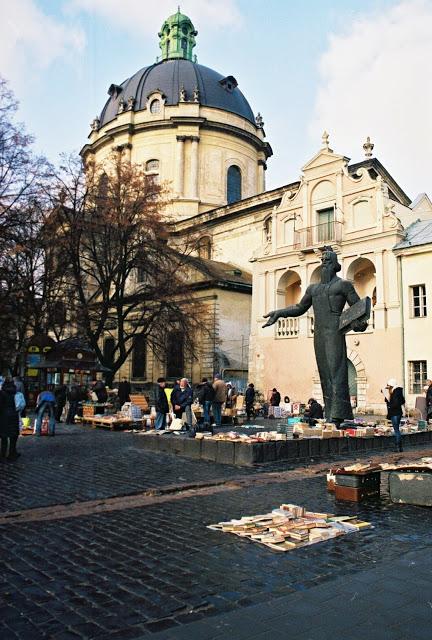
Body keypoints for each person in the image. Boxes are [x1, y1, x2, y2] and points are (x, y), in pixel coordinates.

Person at [263, 246, 369, 424]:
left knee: (337, 371)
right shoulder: (313, 289)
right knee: (324, 372)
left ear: (336, 265)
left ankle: (339, 413)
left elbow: (358, 308)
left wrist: (360, 324)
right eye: (323, 261)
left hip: (335, 330)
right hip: (319, 332)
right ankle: (329, 413)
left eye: (328, 261)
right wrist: (280, 312)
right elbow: (299, 308)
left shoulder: (343, 285)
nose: (325, 263)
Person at [0, 379, 20, 461]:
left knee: (4, 436)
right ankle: (12, 454)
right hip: (14, 415)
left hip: (3, 416)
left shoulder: (1, 393)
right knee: (13, 436)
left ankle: (3, 454)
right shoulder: (16, 393)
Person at [383, 378, 405, 452]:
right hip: (397, 413)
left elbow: (395, 403)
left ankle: (398, 447)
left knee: (396, 430)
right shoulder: (398, 392)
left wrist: (390, 405)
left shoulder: (395, 393)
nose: (388, 388)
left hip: (395, 413)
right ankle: (399, 447)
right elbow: (402, 401)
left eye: (389, 386)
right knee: (397, 429)